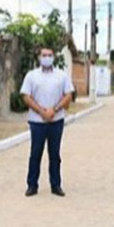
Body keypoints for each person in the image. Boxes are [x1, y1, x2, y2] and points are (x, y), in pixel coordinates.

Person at [20, 47, 74, 197]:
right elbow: (26, 96)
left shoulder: (61, 76)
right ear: (39, 57)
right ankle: (32, 185)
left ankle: (56, 185)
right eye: (44, 55)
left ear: (54, 57)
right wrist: (41, 111)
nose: (47, 57)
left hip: (56, 120)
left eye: (50, 55)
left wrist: (54, 110)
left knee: (55, 154)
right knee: (35, 153)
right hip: (37, 121)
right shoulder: (31, 76)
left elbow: (68, 95)